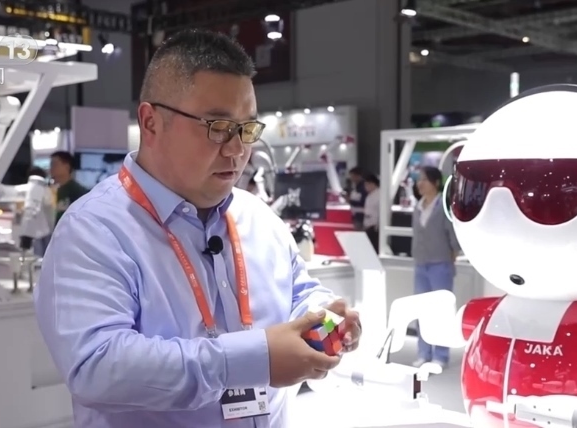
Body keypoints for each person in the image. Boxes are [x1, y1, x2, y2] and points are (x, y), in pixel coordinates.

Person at [34, 29, 361, 428]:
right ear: (151, 122)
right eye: (218, 126)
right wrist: (253, 359)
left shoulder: (259, 219)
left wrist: (326, 318)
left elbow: (299, 292)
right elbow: (97, 367)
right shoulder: (94, 230)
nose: (237, 149)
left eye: (247, 129)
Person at [410, 166, 459, 370]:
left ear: (436, 183)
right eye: (418, 180)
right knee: (422, 310)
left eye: (424, 180)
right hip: (421, 264)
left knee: (441, 311)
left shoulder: (443, 205)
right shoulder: (418, 206)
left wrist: (451, 257)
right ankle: (423, 352)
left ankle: (441, 355)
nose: (419, 183)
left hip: (440, 264)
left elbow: (452, 235)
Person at [19, 167, 54, 257]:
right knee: (39, 254)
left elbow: (48, 203)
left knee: (42, 254)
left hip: (43, 228)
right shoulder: (41, 190)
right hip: (40, 228)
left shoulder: (43, 190)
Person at [49, 151, 88, 225]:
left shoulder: (78, 191)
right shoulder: (51, 190)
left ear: (67, 166)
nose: (51, 169)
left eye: (54, 164)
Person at [362, 173, 381, 250]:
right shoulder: (369, 195)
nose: (365, 187)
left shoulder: (379, 195)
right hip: (368, 225)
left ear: (373, 184)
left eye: (367, 184)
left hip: (374, 226)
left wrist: (377, 226)